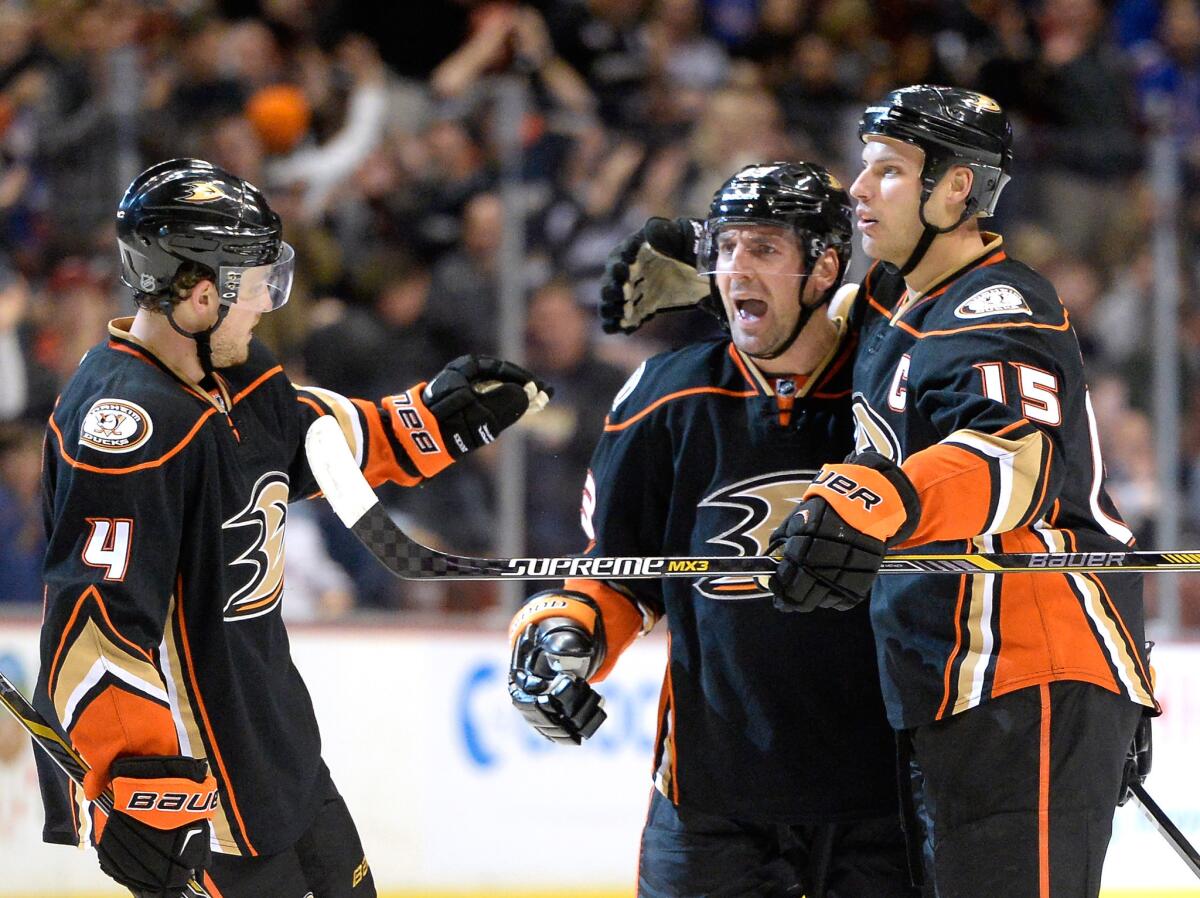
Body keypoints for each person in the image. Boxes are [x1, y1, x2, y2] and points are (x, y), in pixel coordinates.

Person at [32, 158, 549, 898]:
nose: (266, 304)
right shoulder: (127, 426)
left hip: (286, 761)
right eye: (255, 284)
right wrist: (136, 781)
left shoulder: (237, 373)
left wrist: (427, 421)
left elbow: (304, 440)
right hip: (207, 806)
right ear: (198, 291)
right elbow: (96, 621)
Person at [765, 86, 1157, 896]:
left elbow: (1012, 460)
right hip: (948, 674)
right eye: (863, 168)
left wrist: (871, 503)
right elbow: (796, 341)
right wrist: (710, 267)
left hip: (1030, 668)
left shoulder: (1000, 306)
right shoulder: (891, 296)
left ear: (955, 190)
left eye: (888, 172)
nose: (859, 190)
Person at [508, 162, 918, 898]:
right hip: (712, 802)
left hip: (882, 803)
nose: (734, 270)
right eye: (726, 249)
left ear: (825, 266)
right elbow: (617, 578)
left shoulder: (892, 389)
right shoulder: (665, 396)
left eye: (763, 249)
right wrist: (562, 637)